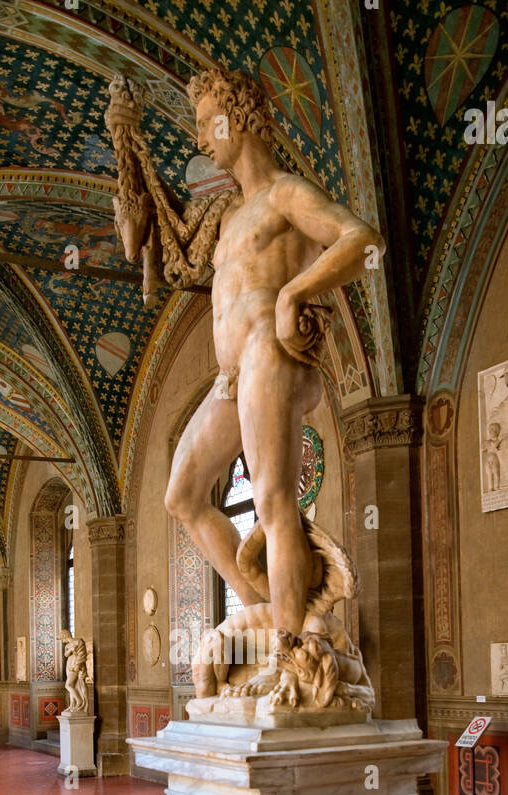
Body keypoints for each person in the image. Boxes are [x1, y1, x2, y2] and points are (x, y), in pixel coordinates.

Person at [162, 68, 384, 639]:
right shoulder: (232, 217)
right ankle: (272, 614)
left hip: (271, 351)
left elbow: (362, 239)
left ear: (234, 118)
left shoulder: (286, 193)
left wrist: (294, 292)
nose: (200, 139)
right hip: (229, 375)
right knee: (183, 495)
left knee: (273, 500)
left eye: (206, 123)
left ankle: (290, 652)